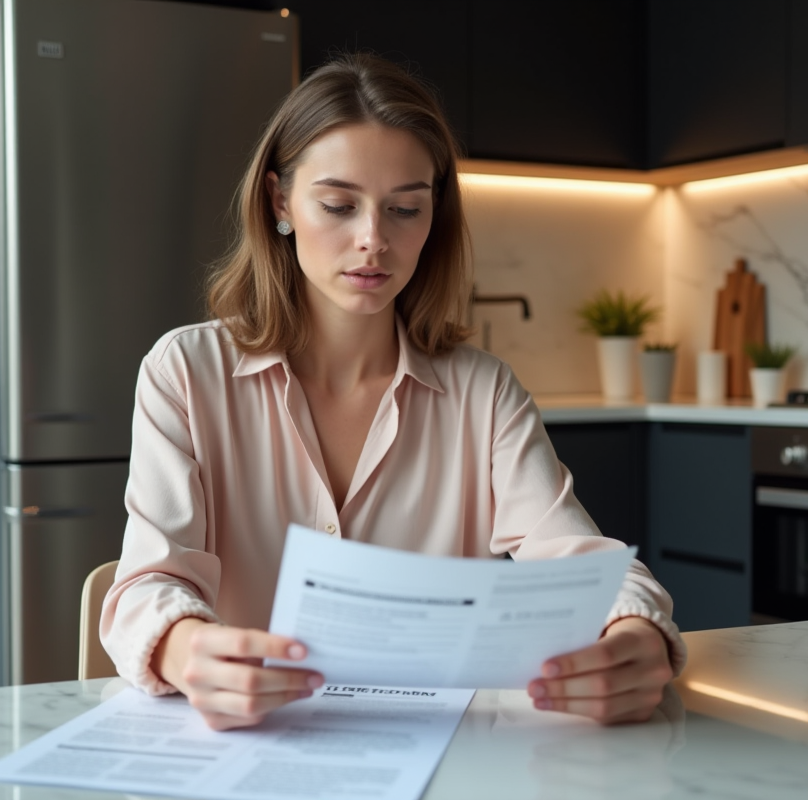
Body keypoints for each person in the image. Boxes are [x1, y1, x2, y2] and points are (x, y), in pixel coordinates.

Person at [101, 53, 684, 732]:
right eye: (339, 205)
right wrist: (184, 649)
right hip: (252, 747)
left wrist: (636, 632)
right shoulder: (185, 372)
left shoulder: (483, 392)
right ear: (280, 201)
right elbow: (147, 584)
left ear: (435, 215)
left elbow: (583, 564)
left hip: (439, 755)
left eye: (404, 208)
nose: (373, 240)